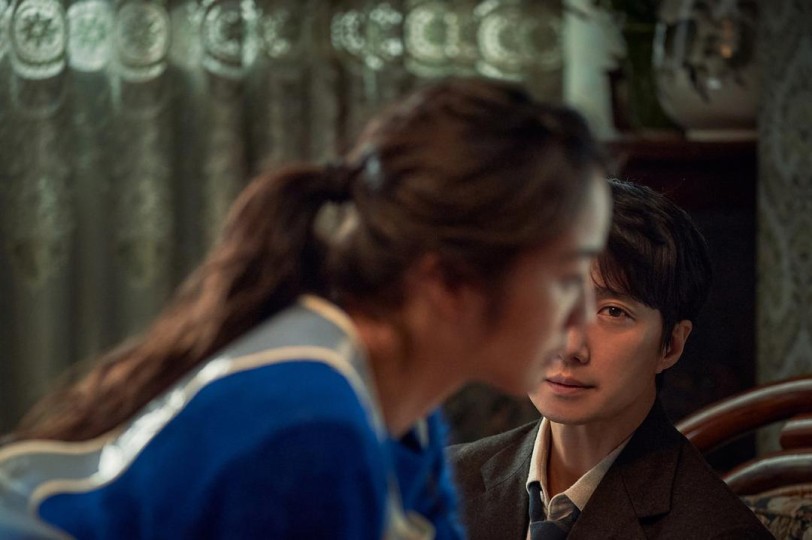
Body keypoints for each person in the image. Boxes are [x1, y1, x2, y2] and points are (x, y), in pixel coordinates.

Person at [0, 78, 611, 539]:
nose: (583, 316)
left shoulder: (404, 411)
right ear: (448, 279)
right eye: (565, 278)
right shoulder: (311, 429)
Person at [448, 178, 773, 539]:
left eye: (613, 312)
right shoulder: (441, 482)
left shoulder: (717, 532)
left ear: (670, 346)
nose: (569, 346)